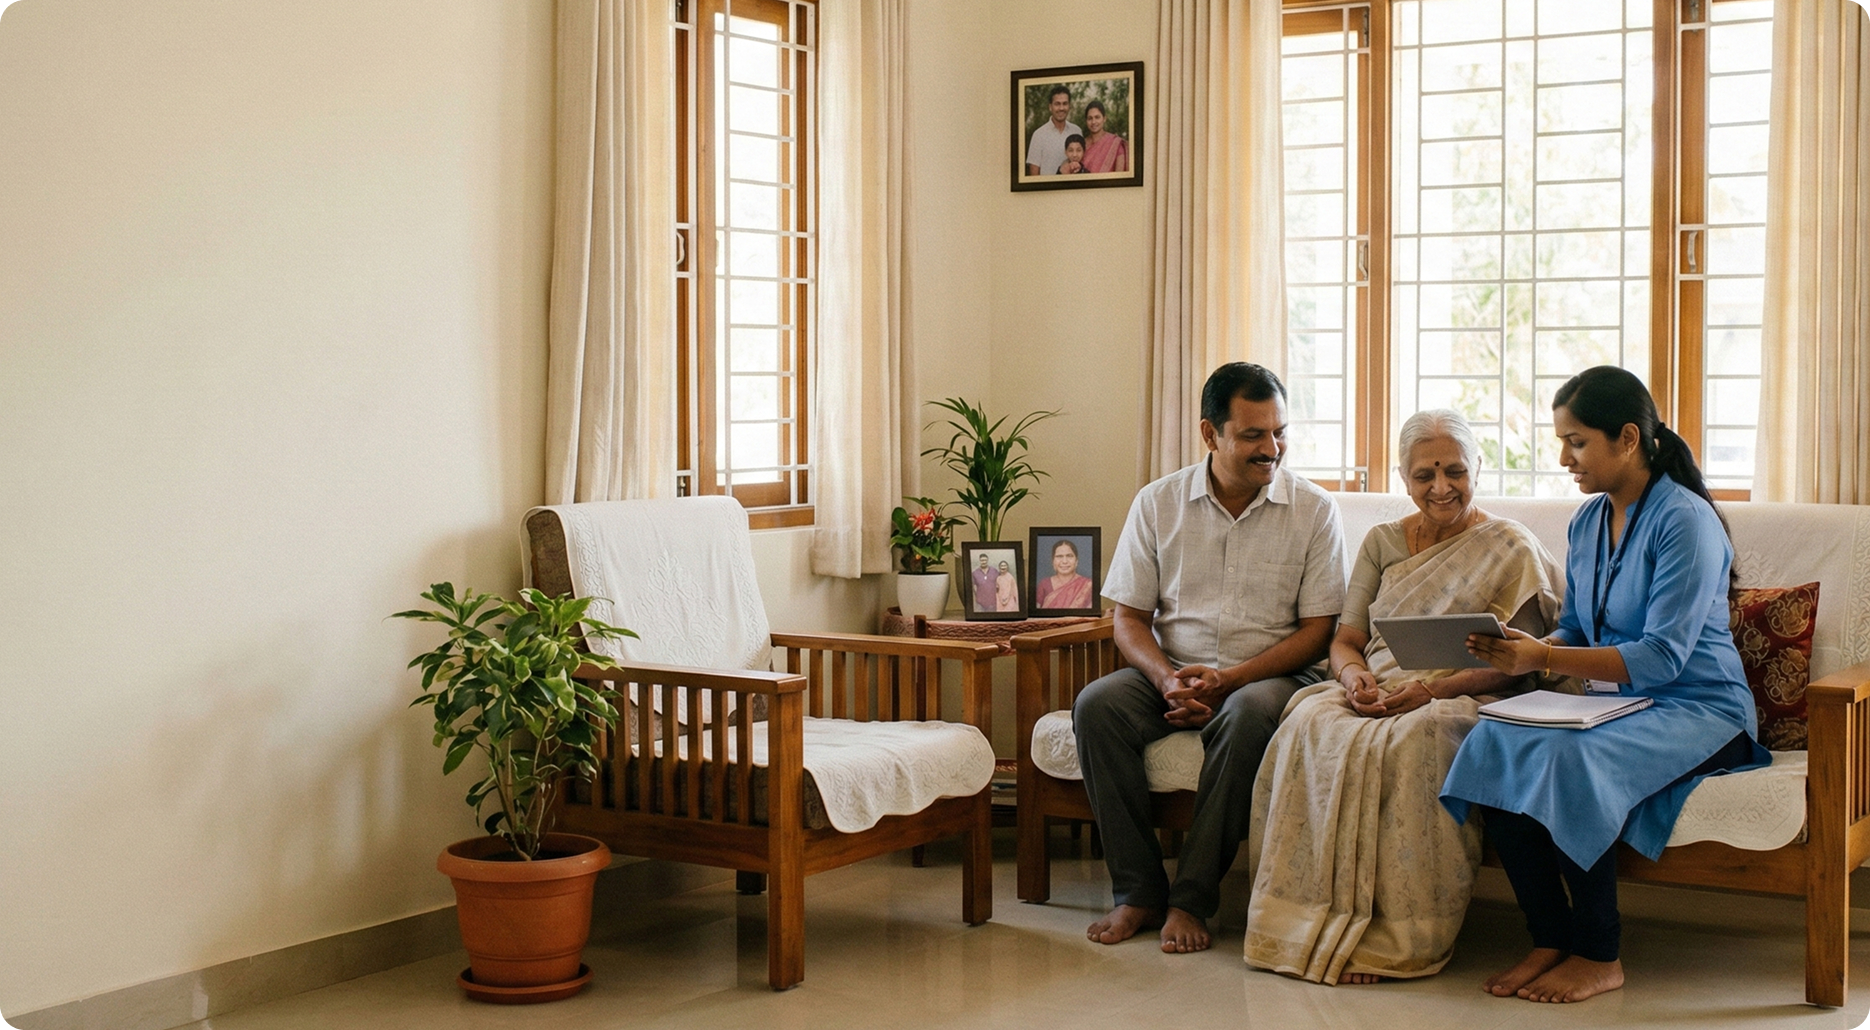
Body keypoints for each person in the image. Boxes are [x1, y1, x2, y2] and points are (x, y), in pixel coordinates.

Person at [1444, 365, 1768, 1004]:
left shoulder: (1687, 521)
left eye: (1577, 441)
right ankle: (1548, 935)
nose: (1563, 457)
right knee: (1494, 740)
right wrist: (1524, 654)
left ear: (1627, 438)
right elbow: (1575, 630)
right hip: (1620, 709)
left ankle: (1599, 952)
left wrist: (1547, 656)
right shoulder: (1587, 521)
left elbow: (1663, 658)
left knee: (1572, 757)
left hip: (1703, 712)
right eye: (1561, 440)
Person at [1243, 410, 1564, 985]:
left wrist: (1431, 690)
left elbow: (1519, 666)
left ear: (1477, 469)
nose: (1441, 488)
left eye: (1455, 472)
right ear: (1403, 477)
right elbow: (1346, 639)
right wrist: (1351, 678)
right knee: (1307, 720)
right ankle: (1299, 925)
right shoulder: (1382, 541)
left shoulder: (1510, 544)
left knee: (1416, 740)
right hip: (1378, 689)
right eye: (1424, 475)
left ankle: (1391, 938)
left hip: (1460, 695)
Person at [1075, 362, 1346, 954]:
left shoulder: (1314, 510)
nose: (1271, 448)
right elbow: (1127, 617)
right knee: (1096, 705)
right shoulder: (1157, 504)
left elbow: (1320, 628)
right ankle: (1139, 892)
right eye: (1253, 435)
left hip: (1270, 674)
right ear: (1210, 434)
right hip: (1174, 671)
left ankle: (1191, 898)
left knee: (1246, 713)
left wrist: (1229, 682)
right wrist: (1167, 679)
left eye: (1279, 432)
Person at [1025, 85, 1081, 177]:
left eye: (1065, 103)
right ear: (1050, 107)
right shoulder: (1038, 135)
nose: (1061, 108)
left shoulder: (1077, 131)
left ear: (1069, 106)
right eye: (1057, 104)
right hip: (1047, 190)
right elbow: (1033, 175)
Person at [1035, 539, 1094, 610]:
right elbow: (1036, 614)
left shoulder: (1088, 585)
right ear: (1053, 561)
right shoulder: (1044, 584)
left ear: (1076, 561)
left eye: (1069, 556)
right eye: (1059, 556)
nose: (1064, 561)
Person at [1080, 100, 1130, 174]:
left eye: (1097, 117)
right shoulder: (1080, 144)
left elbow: (1120, 176)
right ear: (1086, 121)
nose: (1093, 122)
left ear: (1104, 119)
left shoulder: (1115, 144)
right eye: (1090, 118)